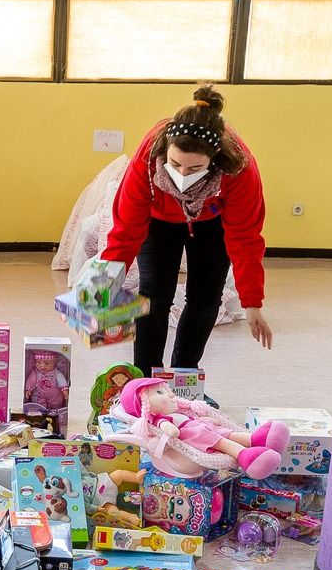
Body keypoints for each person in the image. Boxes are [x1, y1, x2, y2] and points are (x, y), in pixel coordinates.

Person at [95, 85, 272, 374]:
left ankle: (184, 377)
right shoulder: (148, 157)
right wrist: (103, 287)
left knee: (205, 298)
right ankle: (145, 380)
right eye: (175, 164)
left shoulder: (239, 169)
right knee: (153, 294)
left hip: (212, 221)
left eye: (195, 169)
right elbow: (126, 228)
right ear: (166, 149)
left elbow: (245, 238)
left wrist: (253, 302)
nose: (181, 175)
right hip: (159, 219)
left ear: (214, 159)